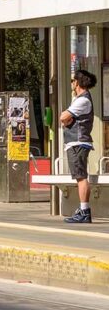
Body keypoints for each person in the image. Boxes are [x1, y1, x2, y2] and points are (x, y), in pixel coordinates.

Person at [60, 69, 97, 224]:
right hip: (75, 143)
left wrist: (67, 119)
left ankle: (84, 211)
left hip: (78, 142)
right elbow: (65, 119)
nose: (72, 84)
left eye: (73, 81)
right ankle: (82, 210)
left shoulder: (83, 101)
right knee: (79, 176)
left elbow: (64, 117)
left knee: (81, 177)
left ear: (77, 82)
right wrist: (67, 119)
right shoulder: (78, 99)